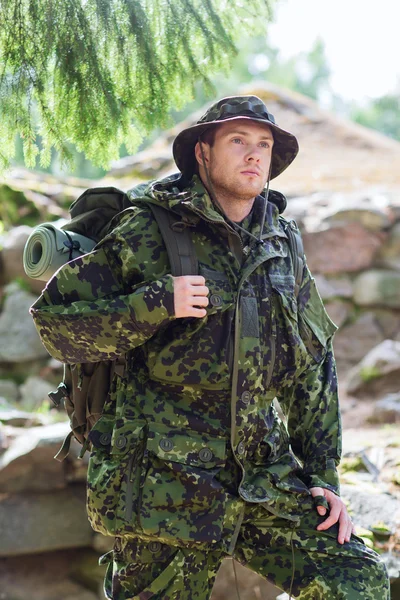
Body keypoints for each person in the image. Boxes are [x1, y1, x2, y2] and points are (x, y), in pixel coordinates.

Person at [30, 95, 390, 599]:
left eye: (263, 145)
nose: (253, 155)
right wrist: (153, 303)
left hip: (261, 478)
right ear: (203, 152)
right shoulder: (147, 231)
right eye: (237, 141)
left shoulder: (280, 239)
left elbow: (313, 363)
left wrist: (323, 475)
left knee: (355, 580)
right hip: (165, 486)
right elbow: (56, 325)